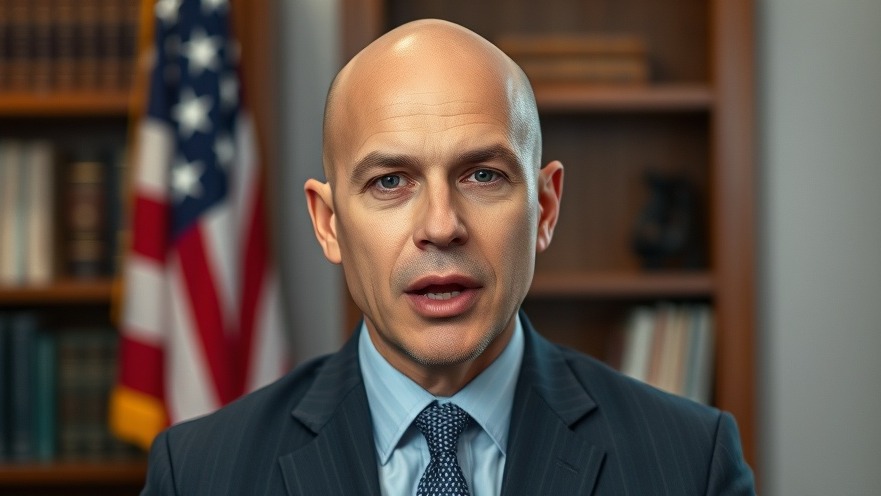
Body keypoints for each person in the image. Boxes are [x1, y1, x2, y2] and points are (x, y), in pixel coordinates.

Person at [141, 19, 756, 495]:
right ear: (329, 224)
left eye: (483, 175)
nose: (441, 226)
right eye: (390, 181)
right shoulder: (197, 474)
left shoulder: (690, 463)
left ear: (544, 209)